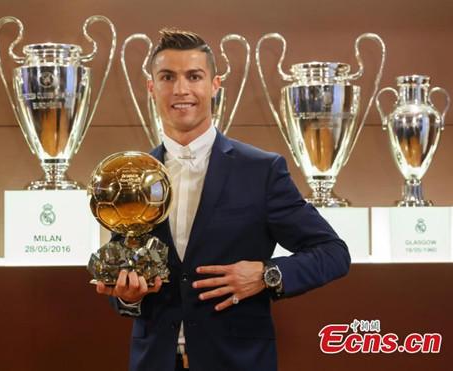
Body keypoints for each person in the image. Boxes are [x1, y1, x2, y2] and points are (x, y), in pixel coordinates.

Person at [95, 28, 351, 371]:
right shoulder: (131, 175)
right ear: (152, 87)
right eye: (167, 77)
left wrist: (266, 273)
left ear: (215, 86)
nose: (181, 89)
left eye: (194, 76)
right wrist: (128, 297)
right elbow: (125, 273)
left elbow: (334, 253)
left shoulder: (261, 170)